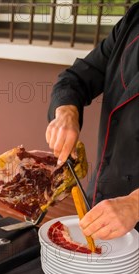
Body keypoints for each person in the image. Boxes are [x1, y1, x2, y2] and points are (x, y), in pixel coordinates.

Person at [46, 2, 139, 240]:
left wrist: (135, 204)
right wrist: (66, 112)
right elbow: (76, 77)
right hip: (100, 203)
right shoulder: (134, 19)